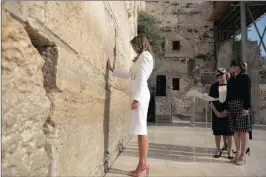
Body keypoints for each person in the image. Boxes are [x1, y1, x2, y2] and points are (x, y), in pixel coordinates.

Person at [107, 35, 153, 176]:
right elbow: (129, 74)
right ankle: (142, 165)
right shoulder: (141, 58)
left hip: (141, 95)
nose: (133, 49)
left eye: (134, 46)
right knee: (140, 131)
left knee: (142, 130)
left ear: (140, 44)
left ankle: (142, 165)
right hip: (139, 95)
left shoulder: (145, 56)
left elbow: (141, 78)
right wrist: (112, 70)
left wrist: (137, 99)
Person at [225, 58, 252, 165]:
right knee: (235, 131)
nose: (233, 67)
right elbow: (228, 94)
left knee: (243, 130)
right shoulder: (230, 80)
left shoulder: (245, 78)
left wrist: (246, 107)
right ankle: (237, 152)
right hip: (231, 105)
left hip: (242, 105)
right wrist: (227, 107)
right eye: (232, 66)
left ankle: (243, 155)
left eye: (235, 65)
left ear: (241, 66)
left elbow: (247, 93)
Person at [209, 68, 234, 159]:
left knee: (229, 132)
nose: (220, 77)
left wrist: (226, 110)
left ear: (225, 75)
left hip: (228, 112)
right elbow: (210, 100)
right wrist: (216, 112)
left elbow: (232, 99)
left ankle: (230, 150)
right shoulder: (214, 86)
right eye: (218, 76)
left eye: (221, 75)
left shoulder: (230, 86)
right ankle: (218, 149)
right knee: (217, 132)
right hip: (216, 112)